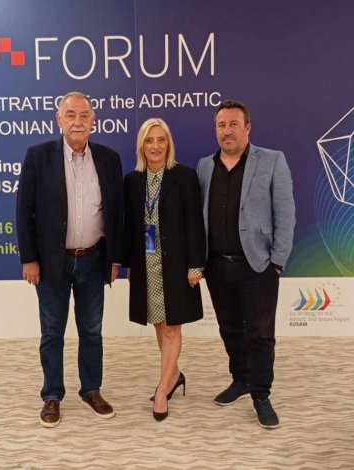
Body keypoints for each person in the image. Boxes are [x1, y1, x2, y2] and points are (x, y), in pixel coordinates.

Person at [16, 91, 124, 428]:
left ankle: (91, 390)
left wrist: (114, 259)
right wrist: (29, 259)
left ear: (93, 120)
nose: (78, 121)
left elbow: (117, 213)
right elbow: (24, 211)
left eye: (84, 115)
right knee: (52, 332)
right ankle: (52, 395)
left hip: (93, 259)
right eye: (71, 115)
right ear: (59, 120)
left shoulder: (109, 158)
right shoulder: (38, 156)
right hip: (51, 262)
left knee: (92, 331)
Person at [196, 100, 295, 429]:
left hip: (258, 266)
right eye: (221, 125)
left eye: (233, 124)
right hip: (217, 267)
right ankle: (240, 379)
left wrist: (276, 262)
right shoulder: (204, 166)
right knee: (229, 329)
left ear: (247, 127)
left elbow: (286, 216)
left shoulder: (272, 160)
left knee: (260, 335)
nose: (227, 131)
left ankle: (261, 395)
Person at [122, 118, 205, 421]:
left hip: (177, 264)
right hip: (146, 263)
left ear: (169, 144)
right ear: (141, 146)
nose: (155, 146)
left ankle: (161, 390)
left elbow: (195, 223)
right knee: (159, 323)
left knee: (172, 326)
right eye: (149, 140)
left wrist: (196, 265)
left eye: (161, 140)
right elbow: (130, 227)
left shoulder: (184, 177)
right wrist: (129, 265)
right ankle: (174, 375)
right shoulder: (132, 180)